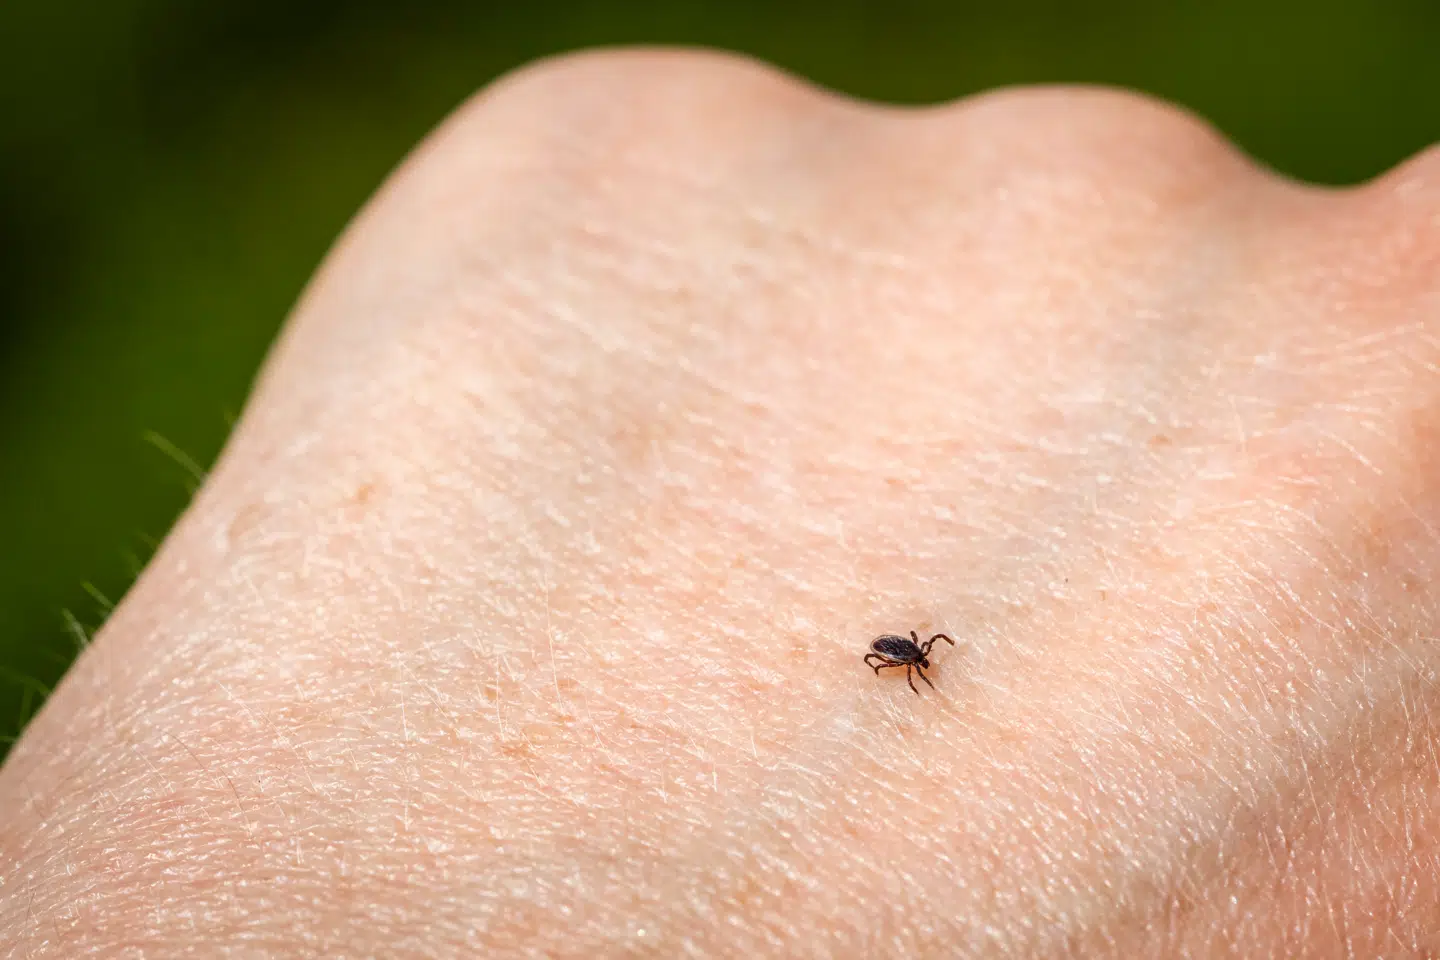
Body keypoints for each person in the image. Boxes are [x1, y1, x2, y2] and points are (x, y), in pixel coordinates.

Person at [3, 50, 1437, 956]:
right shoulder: (902, 654)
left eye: (911, 656)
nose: (913, 661)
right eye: (910, 655)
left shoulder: (907, 647)